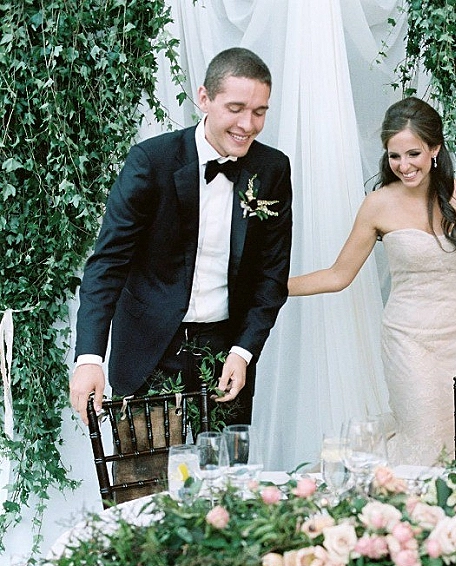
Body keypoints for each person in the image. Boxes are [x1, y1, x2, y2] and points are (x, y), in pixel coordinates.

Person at [288, 96, 456, 466]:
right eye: (394, 156)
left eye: (413, 154)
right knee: (421, 435)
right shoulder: (378, 204)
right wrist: (271, 286)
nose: (403, 166)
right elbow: (338, 275)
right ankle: (377, 494)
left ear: (435, 149)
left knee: (455, 439)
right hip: (406, 340)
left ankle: (427, 504)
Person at [70, 47, 292, 426]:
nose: (248, 124)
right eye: (236, 108)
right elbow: (108, 264)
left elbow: (271, 275)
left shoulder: (272, 169)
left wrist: (243, 351)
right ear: (204, 98)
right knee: (147, 467)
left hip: (227, 352)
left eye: (259, 112)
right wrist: (89, 358)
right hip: (149, 348)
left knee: (225, 464)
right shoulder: (151, 161)